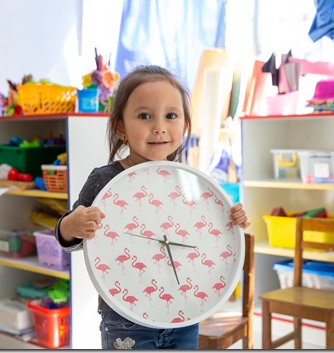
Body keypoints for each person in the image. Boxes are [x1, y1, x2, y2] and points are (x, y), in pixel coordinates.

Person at [55, 64, 250, 349]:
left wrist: (229, 220)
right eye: (145, 116)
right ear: (120, 127)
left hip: (183, 314)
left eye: (171, 116)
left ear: (184, 125)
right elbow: (70, 240)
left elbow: (201, 234)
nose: (159, 126)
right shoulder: (105, 180)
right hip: (124, 318)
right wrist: (70, 225)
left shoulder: (189, 181)